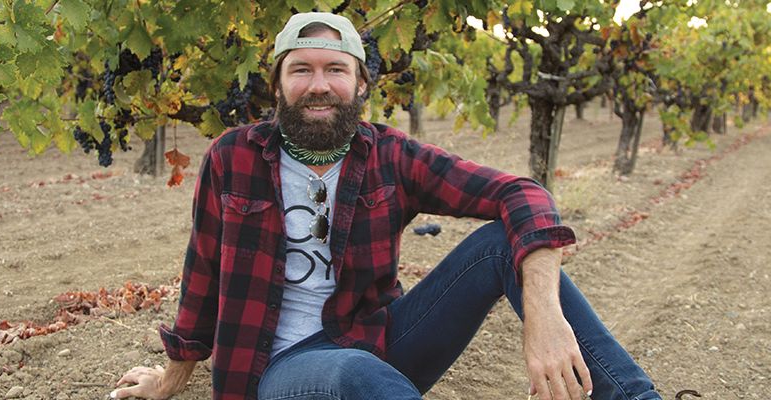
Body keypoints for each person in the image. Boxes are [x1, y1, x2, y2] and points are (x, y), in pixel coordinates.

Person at [112, 12, 663, 400]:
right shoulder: (233, 157)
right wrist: (170, 378)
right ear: (277, 86)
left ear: (361, 84)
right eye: (301, 70)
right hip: (276, 369)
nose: (319, 85)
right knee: (354, 373)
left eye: (336, 70)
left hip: (379, 342)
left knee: (502, 244)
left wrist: (544, 314)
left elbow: (524, 194)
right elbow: (202, 273)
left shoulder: (390, 156)